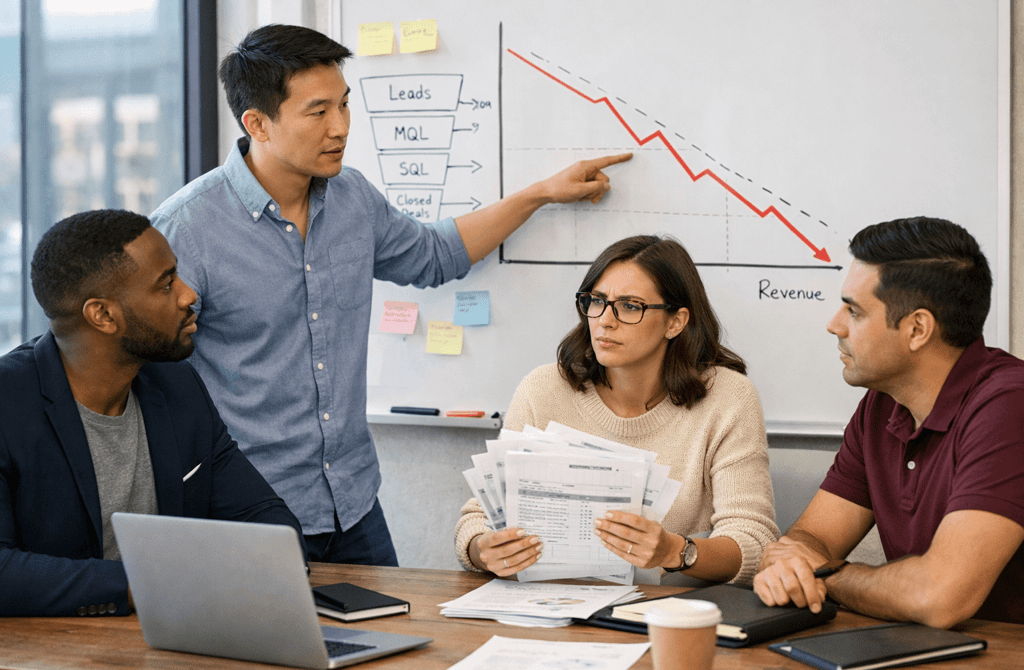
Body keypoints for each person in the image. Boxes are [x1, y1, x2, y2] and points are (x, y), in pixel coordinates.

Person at [150, 24, 631, 567]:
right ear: (257, 123)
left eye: (344, 105)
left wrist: (540, 194)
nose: (341, 128)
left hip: (352, 502)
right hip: (248, 510)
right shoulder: (185, 229)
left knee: (391, 647)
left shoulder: (352, 196)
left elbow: (435, 254)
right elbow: (149, 370)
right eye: (318, 112)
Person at [0, 210, 304, 617]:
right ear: (103, 315)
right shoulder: (8, 403)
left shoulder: (178, 385)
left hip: (176, 637)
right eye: (166, 284)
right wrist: (154, 582)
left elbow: (267, 520)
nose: (188, 294)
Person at [454, 235, 778, 584]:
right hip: (552, 605)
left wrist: (674, 551)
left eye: (630, 306)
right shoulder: (543, 389)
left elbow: (755, 542)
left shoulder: (728, 398)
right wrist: (483, 549)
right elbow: (478, 520)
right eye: (596, 301)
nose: (605, 321)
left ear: (675, 322)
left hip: (670, 613)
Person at [753, 217, 1024, 627]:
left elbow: (939, 596)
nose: (834, 325)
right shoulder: (881, 405)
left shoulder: (1009, 405)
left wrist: (825, 574)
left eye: (854, 311)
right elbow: (812, 538)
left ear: (917, 329)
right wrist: (788, 559)